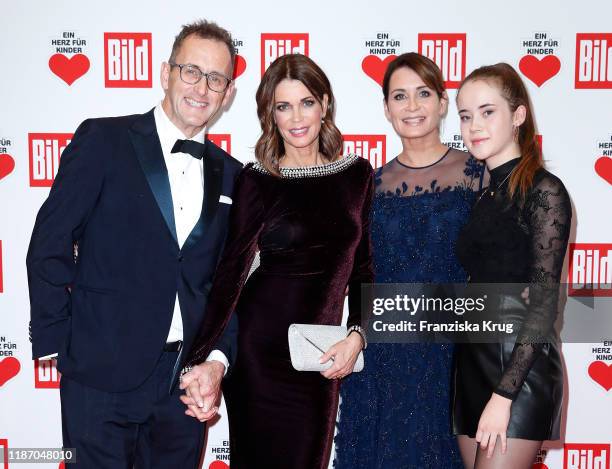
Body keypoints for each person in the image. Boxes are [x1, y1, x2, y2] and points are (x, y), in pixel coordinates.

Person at [26, 20, 241, 468]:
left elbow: (229, 282)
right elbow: (50, 238)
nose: (202, 88)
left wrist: (216, 361)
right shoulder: (104, 140)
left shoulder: (232, 173)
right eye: (191, 71)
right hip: (99, 375)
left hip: (184, 384)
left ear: (227, 93)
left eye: (216, 78)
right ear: (165, 73)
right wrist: (57, 341)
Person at [181, 53, 373, 469]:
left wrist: (357, 335)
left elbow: (363, 269)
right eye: (283, 106)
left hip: (318, 355)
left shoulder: (357, 176)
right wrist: (201, 358)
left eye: (306, 102)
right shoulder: (257, 181)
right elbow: (231, 274)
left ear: (324, 104)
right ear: (270, 115)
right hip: (259, 354)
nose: (296, 117)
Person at [335, 52, 485, 468]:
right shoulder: (370, 185)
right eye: (400, 96)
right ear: (386, 109)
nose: (412, 106)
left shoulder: (479, 176)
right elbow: (359, 275)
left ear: (442, 102)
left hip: (451, 356)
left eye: (423, 93)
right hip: (382, 357)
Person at [453, 63, 571, 468]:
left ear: (518, 116)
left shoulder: (544, 191)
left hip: (520, 369)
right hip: (471, 364)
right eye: (465, 115)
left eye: (488, 112)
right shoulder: (483, 196)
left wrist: (504, 397)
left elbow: (542, 306)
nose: (473, 126)